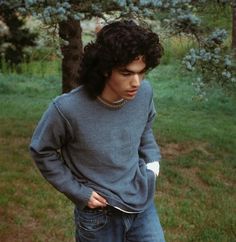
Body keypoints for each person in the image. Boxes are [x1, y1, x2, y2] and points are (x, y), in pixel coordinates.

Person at [29, 20, 165, 242]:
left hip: (141, 203)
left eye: (142, 73)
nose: (136, 82)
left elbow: (145, 127)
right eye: (126, 73)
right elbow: (41, 150)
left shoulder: (144, 94)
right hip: (98, 215)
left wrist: (152, 165)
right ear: (104, 69)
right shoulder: (66, 109)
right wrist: (78, 192)